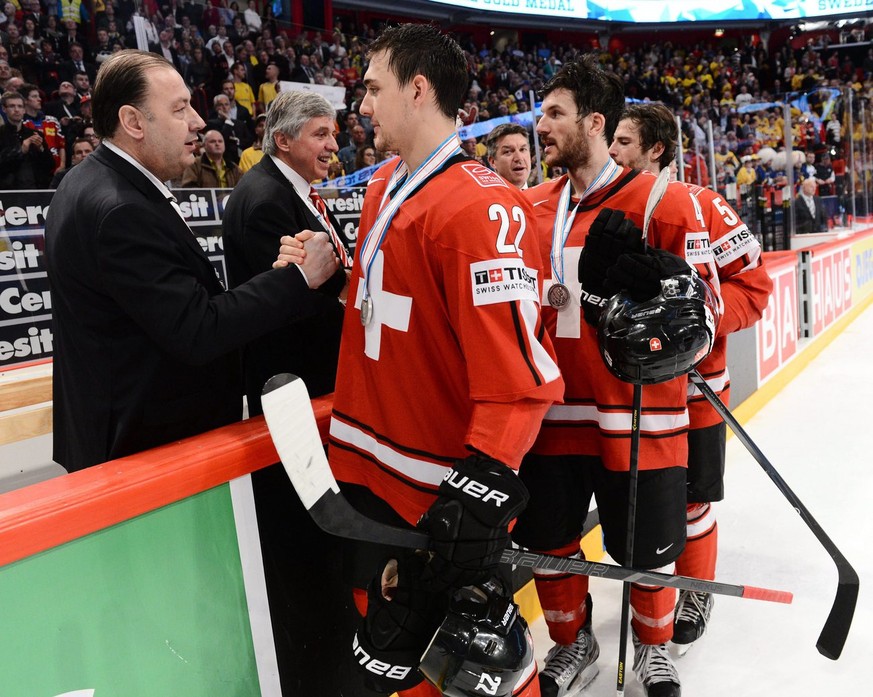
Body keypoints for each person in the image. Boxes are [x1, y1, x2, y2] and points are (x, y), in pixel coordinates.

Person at [306, 23, 563, 697]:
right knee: (399, 648)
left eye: (372, 89)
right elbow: (397, 316)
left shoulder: (479, 204)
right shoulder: (381, 187)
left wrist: (478, 488)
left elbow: (518, 380)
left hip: (435, 490)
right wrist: (331, 279)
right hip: (367, 470)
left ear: (417, 89)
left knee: (471, 662)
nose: (361, 107)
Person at [512, 56, 721, 697]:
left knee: (647, 547)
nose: (539, 126)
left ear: (594, 122)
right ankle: (573, 643)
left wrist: (663, 283)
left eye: (554, 114)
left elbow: (707, 314)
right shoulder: (525, 209)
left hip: (639, 413)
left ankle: (654, 649)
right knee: (550, 541)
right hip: (550, 417)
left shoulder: (667, 201)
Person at [44, 50, 341, 473]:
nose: (199, 122)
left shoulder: (93, 181)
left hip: (130, 432)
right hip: (143, 450)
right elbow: (198, 329)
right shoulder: (120, 209)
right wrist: (298, 276)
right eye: (181, 108)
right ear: (133, 122)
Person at [609, 102, 772, 657]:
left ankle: (696, 590)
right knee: (642, 511)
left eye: (625, 141)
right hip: (625, 396)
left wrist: (694, 323)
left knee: (691, 503)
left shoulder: (705, 206)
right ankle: (653, 597)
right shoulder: (594, 208)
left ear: (656, 149)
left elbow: (756, 289)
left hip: (696, 393)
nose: (612, 151)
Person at [222, 88, 353, 697]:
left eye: (333, 133)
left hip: (307, 387)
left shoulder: (287, 191)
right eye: (321, 135)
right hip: (291, 392)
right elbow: (298, 304)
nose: (334, 145)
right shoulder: (265, 201)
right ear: (283, 140)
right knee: (302, 538)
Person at [0, 89, 55, 188]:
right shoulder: (1, 134)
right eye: (12, 106)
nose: (16, 110)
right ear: (4, 109)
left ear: (24, 110)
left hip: (35, 190)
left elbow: (50, 165)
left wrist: (41, 149)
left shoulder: (35, 134)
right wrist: (21, 151)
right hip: (7, 192)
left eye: (20, 106)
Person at [485, 122, 532, 189]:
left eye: (522, 149)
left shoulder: (542, 195)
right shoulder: (485, 198)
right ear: (493, 162)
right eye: (508, 152)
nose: (518, 158)